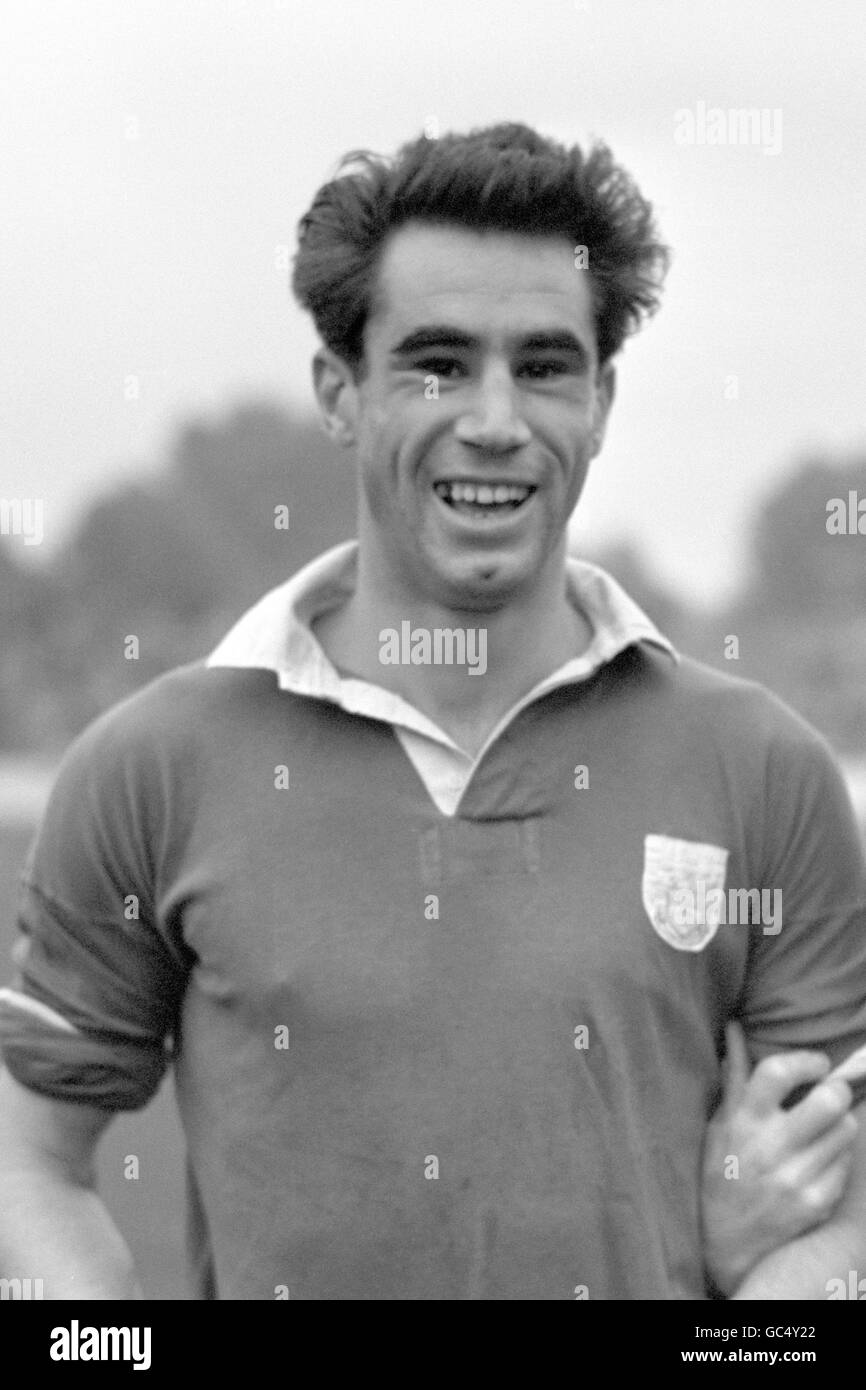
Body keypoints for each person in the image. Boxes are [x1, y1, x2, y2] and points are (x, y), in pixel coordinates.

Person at [1, 123, 864, 1301]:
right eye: (437, 364)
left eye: (544, 365)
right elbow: (27, 1164)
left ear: (601, 400)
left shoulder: (765, 771)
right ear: (339, 391)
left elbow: (840, 1222)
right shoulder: (150, 768)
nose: (495, 421)